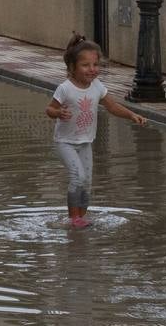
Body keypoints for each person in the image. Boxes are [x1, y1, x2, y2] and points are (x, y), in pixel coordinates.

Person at [45, 34, 145, 228]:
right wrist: (58, 113)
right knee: (78, 176)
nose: (92, 69)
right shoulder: (65, 88)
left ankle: (82, 216)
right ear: (72, 67)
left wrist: (131, 115)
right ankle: (74, 218)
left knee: (87, 181)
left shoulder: (97, 86)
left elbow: (112, 106)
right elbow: (49, 109)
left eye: (95, 64)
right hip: (65, 142)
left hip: (85, 142)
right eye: (85, 65)